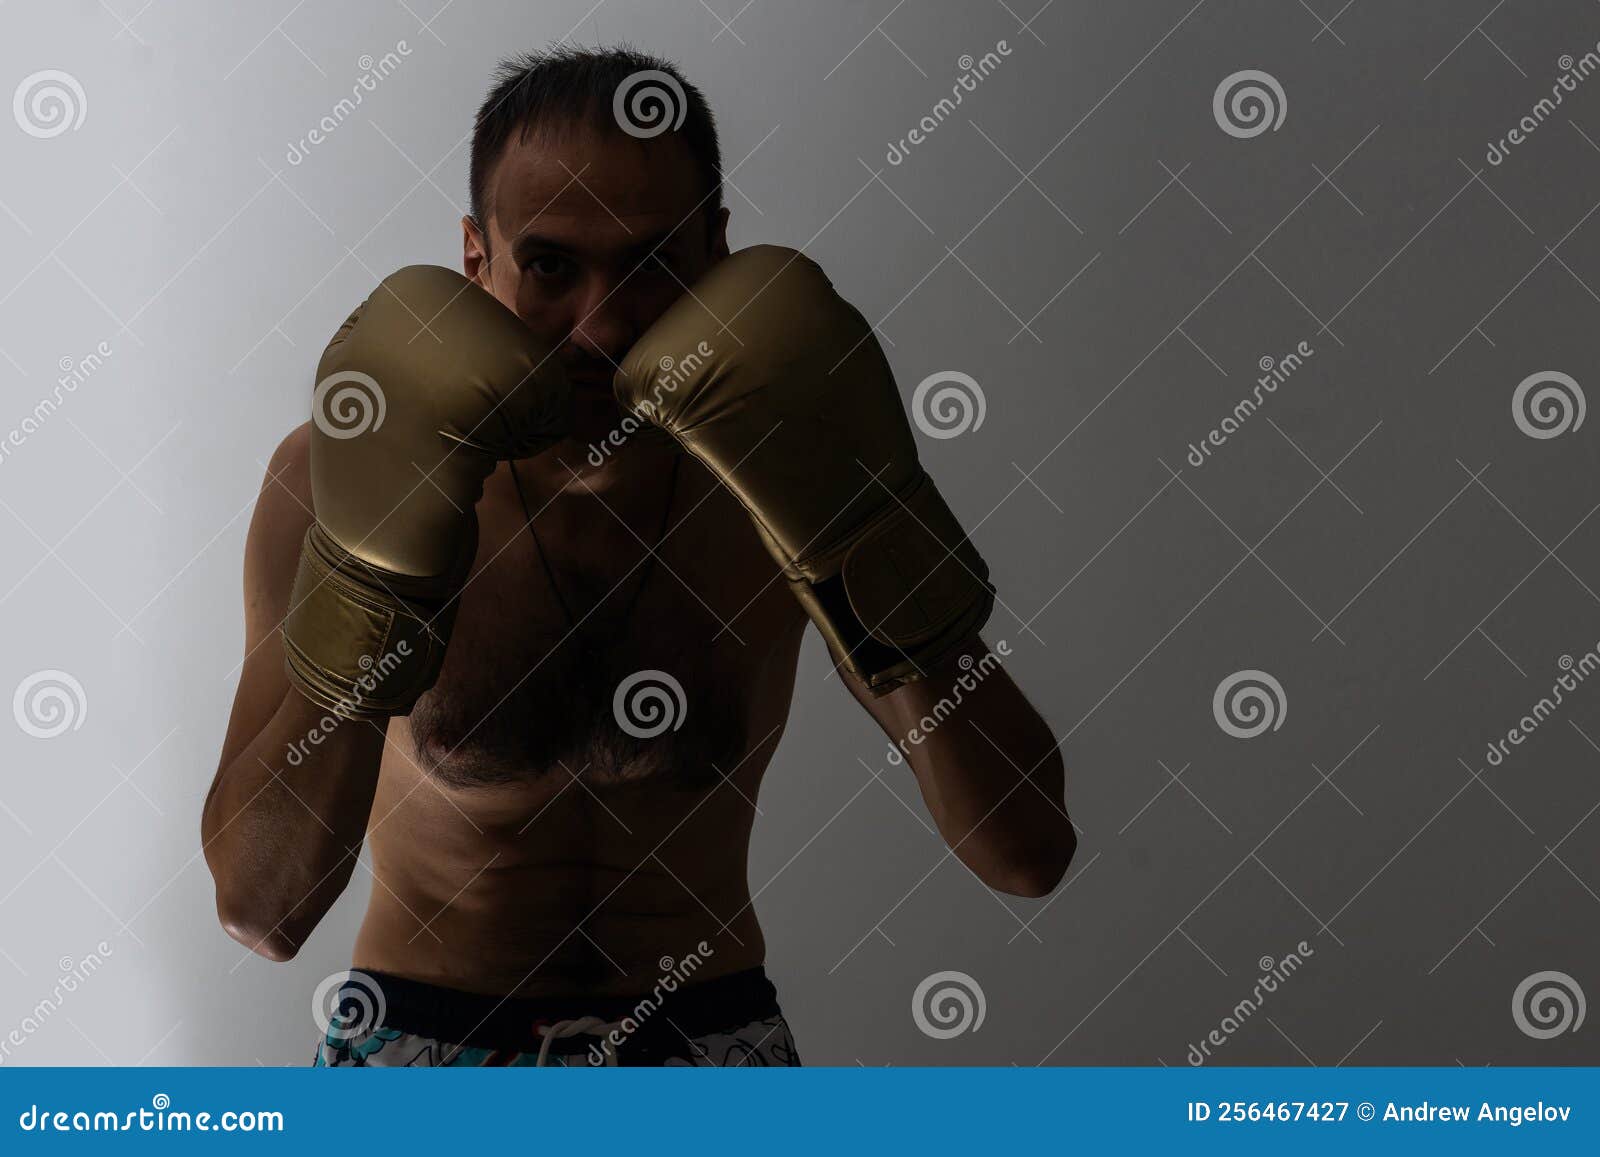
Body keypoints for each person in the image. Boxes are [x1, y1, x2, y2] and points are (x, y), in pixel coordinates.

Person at [201, 44, 1074, 1067]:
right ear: (476, 258)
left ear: (717, 251)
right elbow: (264, 909)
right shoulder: (328, 478)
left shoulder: (778, 467)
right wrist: (371, 578)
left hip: (707, 1048)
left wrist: (865, 533)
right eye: (551, 266)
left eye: (652, 264)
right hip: (416, 1053)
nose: (603, 324)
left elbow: (1025, 849)